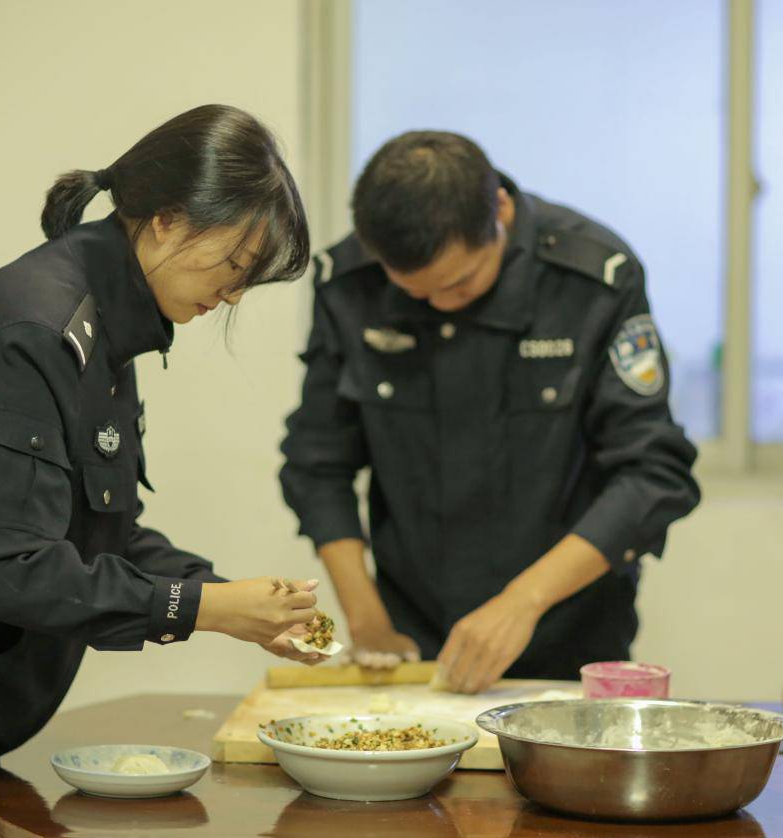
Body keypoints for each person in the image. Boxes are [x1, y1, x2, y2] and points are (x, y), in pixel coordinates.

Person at [0, 104, 321, 838]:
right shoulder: (38, 330)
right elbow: (15, 572)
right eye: (234, 266)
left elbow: (102, 532)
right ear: (166, 220)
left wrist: (225, 595)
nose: (232, 294)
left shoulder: (107, 323)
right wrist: (203, 608)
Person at [280, 131, 700, 694]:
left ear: (499, 210)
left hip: (567, 633)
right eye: (415, 294)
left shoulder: (592, 280)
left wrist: (522, 603)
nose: (439, 303)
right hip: (413, 639)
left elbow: (653, 473)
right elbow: (316, 462)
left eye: (457, 283)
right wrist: (364, 615)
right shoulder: (350, 284)